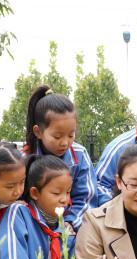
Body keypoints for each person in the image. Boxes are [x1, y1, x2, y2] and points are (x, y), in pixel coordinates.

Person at [24, 85, 96, 232]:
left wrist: (70, 223)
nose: (65, 142)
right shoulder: (24, 158)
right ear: (38, 131)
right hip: (33, 226)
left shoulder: (80, 155)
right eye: (57, 136)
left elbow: (86, 199)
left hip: (69, 228)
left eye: (71, 135)